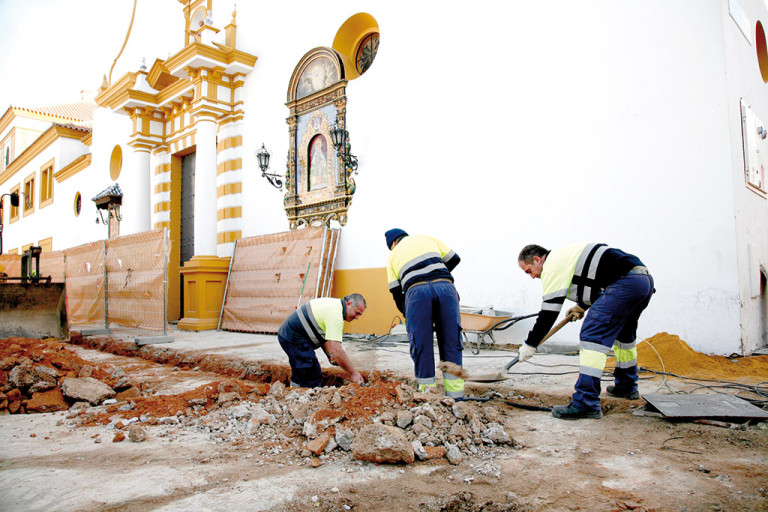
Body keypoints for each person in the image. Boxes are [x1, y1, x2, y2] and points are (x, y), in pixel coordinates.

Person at [517, 243, 654, 420]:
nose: (532, 277)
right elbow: (598, 281)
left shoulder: (551, 267)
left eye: (529, 271)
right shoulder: (566, 255)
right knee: (623, 336)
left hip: (624, 284)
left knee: (592, 336)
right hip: (642, 281)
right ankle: (626, 386)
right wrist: (581, 306)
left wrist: (530, 344)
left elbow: (548, 314)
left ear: (537, 259)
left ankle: (585, 403)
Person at [385, 228, 465, 400]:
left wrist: (410, 316)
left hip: (416, 293)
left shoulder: (393, 255)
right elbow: (455, 258)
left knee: (421, 344)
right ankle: (456, 398)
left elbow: (396, 292)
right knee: (451, 340)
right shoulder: (426, 237)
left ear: (393, 243)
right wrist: (439, 275)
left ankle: (428, 397)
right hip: (446, 288)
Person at [278, 294, 367, 387]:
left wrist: (330, 355)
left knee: (303, 369)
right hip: (293, 335)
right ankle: (307, 395)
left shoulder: (335, 306)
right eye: (357, 313)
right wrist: (353, 373)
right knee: (310, 371)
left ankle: (295, 390)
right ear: (348, 304)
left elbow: (325, 337)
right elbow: (337, 350)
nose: (357, 318)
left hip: (293, 334)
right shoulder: (336, 315)